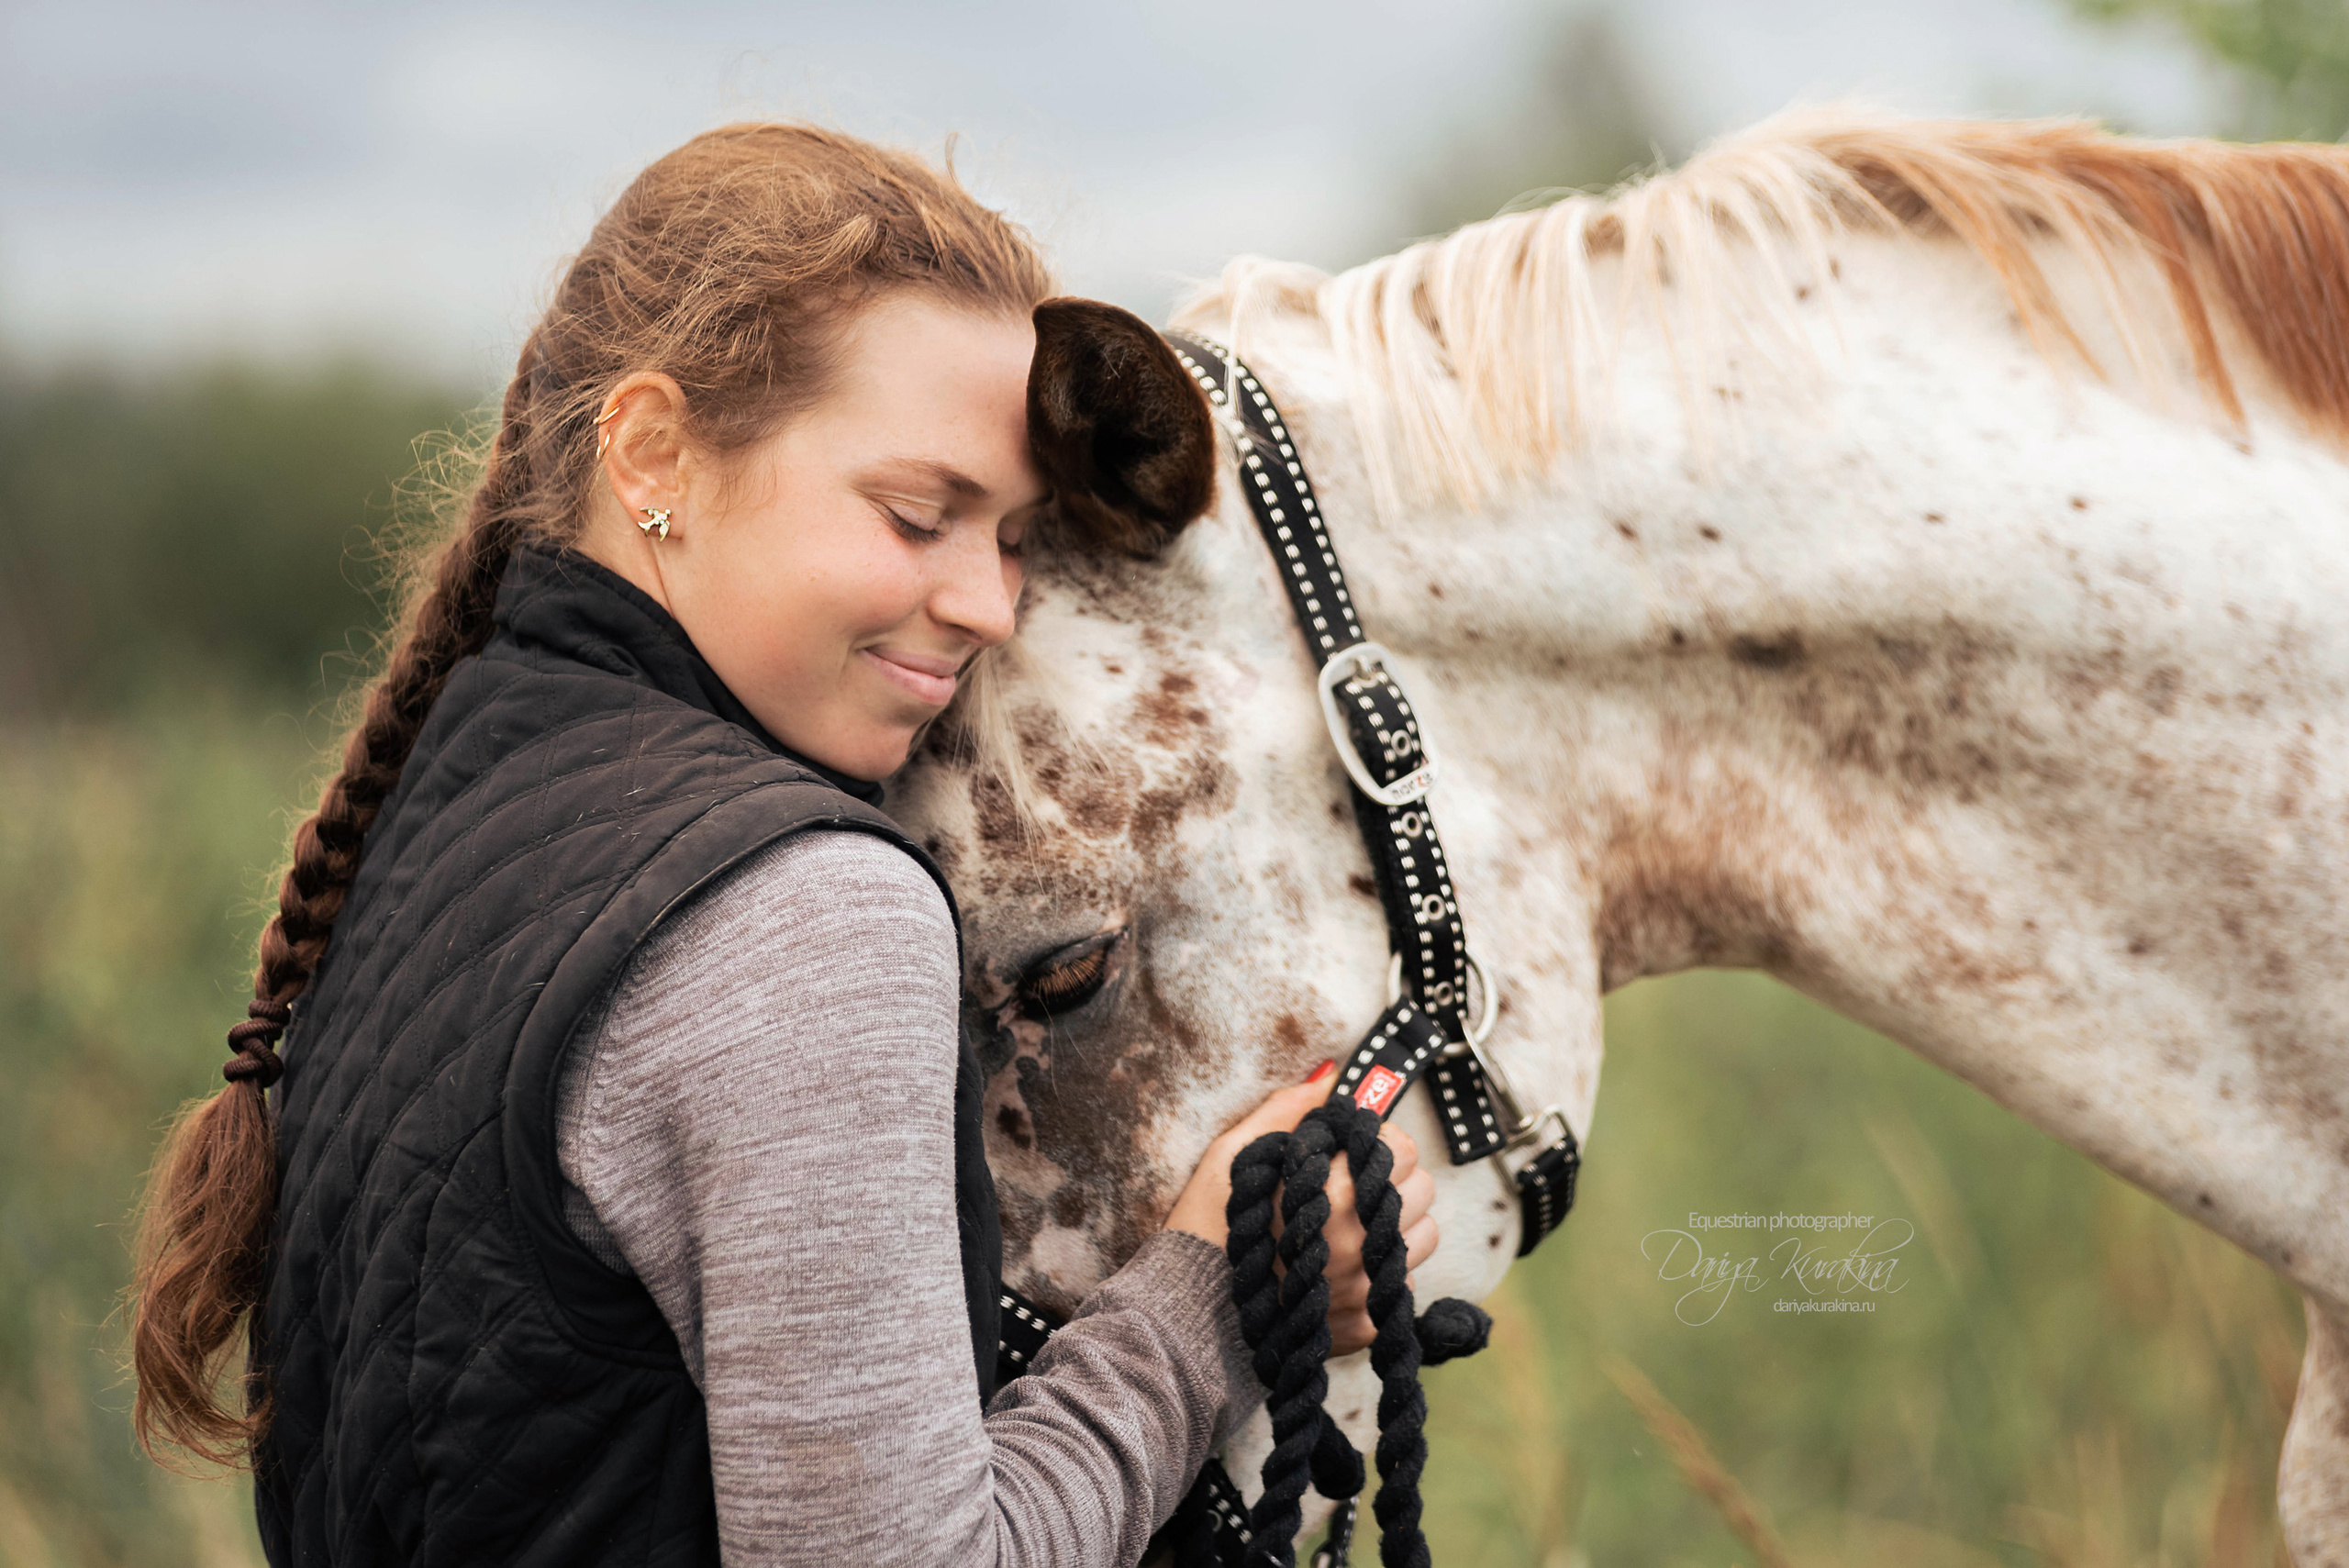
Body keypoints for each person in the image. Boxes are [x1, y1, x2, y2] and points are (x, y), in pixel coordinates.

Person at [127, 123, 1439, 1566]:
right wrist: (1214, 1295)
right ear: (651, 452)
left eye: (1008, 537)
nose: (989, 605)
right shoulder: (803, 913)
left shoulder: (452, 794)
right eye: (917, 514)